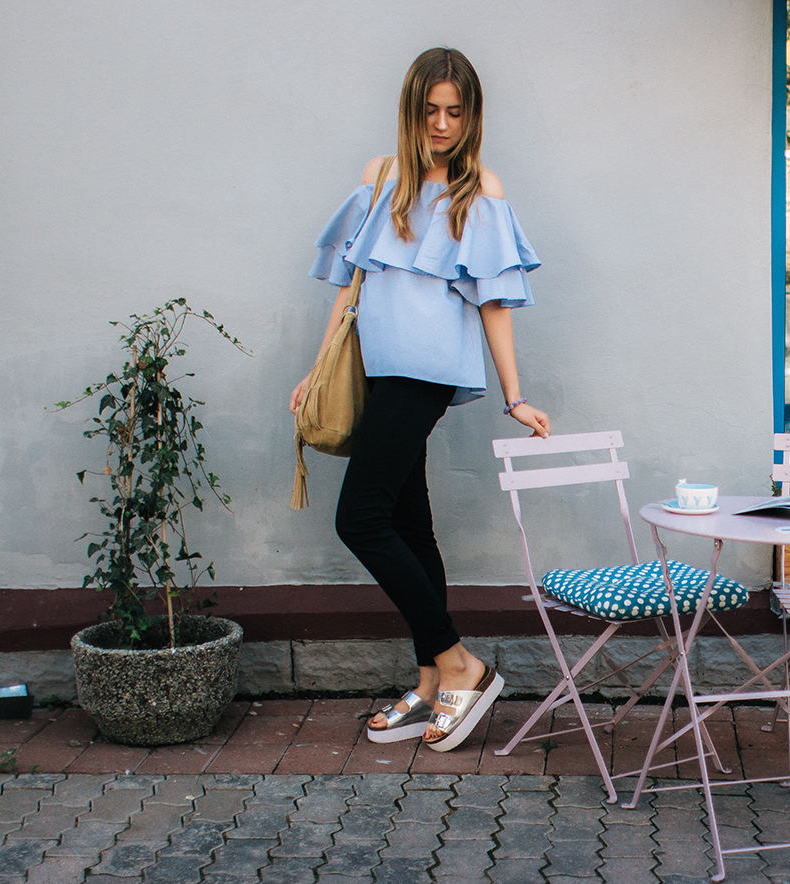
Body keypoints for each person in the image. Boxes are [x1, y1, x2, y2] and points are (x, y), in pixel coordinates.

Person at [290, 47, 549, 752]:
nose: (442, 124)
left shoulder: (480, 189)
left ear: (472, 116)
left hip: (425, 372)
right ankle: (432, 683)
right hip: (375, 365)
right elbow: (353, 285)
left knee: (361, 517)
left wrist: (515, 396)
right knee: (408, 522)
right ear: (412, 109)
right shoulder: (382, 179)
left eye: (455, 112)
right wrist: (319, 371)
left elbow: (495, 300)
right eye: (430, 110)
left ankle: (458, 661)